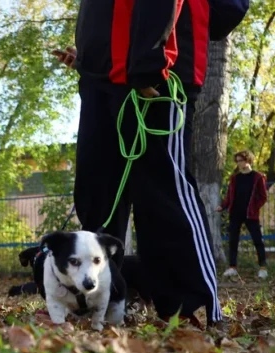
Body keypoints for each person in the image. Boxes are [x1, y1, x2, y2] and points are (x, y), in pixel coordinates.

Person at [53, 0, 249, 328]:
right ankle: (101, 302)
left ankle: (191, 304)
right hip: (102, 76)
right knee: (97, 195)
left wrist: (148, 59)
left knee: (162, 192)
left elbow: (224, 13)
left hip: (155, 78)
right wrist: (93, 56)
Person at [218, 151, 269, 279]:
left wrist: (254, 207)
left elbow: (263, 197)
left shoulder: (258, 177)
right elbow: (230, 195)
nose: (239, 163)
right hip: (235, 213)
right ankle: (232, 267)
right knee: (233, 240)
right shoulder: (234, 178)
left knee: (257, 239)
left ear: (248, 160)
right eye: (237, 161)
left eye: (241, 160)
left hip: (250, 214)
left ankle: (263, 268)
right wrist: (223, 206)